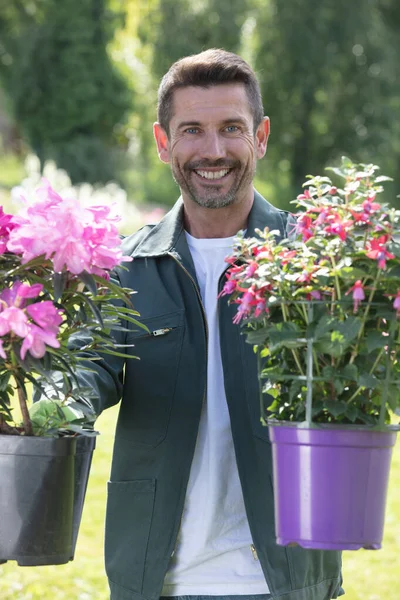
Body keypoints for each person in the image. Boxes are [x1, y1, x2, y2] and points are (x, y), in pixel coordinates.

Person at [73, 49, 344, 600]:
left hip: (288, 580)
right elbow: (84, 369)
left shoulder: (316, 264)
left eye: (231, 129)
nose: (213, 150)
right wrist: (45, 408)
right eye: (192, 130)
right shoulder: (127, 269)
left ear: (261, 136)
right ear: (162, 142)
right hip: (157, 581)